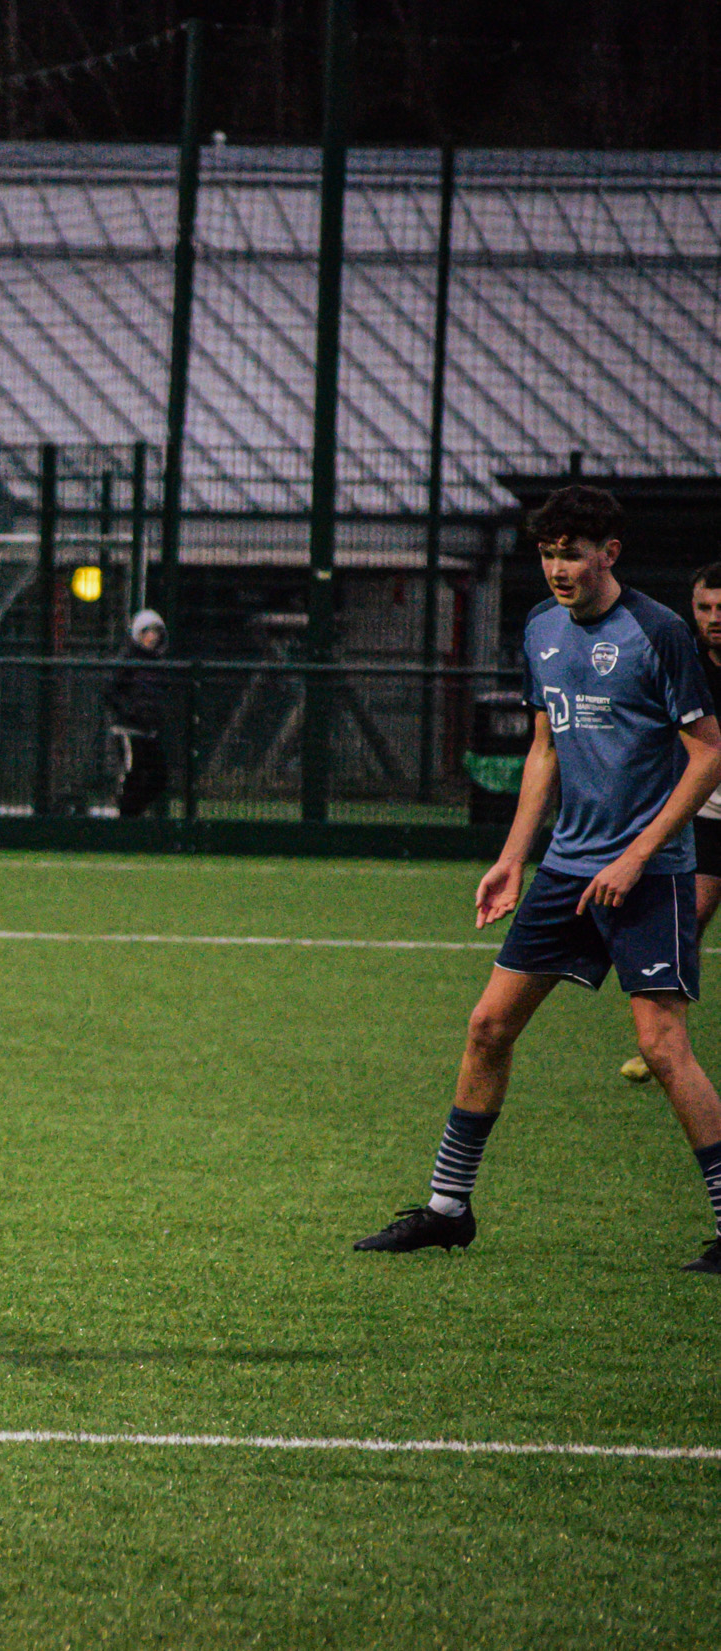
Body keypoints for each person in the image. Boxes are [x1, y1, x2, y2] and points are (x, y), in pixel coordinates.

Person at [355, 487, 721, 1275]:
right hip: (564, 869)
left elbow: (709, 754)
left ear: (609, 553)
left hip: (648, 873)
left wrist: (635, 855)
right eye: (548, 552)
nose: (558, 567)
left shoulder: (658, 633)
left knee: (662, 1047)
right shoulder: (540, 627)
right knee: (488, 1025)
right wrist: (514, 855)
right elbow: (546, 750)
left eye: (572, 551)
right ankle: (449, 1210)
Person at [619, 558, 721, 1083]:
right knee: (693, 917)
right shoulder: (686, 664)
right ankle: (663, 1045)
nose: (714, 617)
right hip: (705, 816)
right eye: (704, 607)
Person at [104, 607, 173, 818]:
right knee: (132, 774)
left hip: (148, 731)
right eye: (148, 632)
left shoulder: (158, 665)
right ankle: (126, 818)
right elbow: (110, 691)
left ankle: (134, 813)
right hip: (129, 729)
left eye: (156, 633)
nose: (153, 637)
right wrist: (129, 712)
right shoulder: (128, 660)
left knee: (159, 777)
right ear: (139, 634)